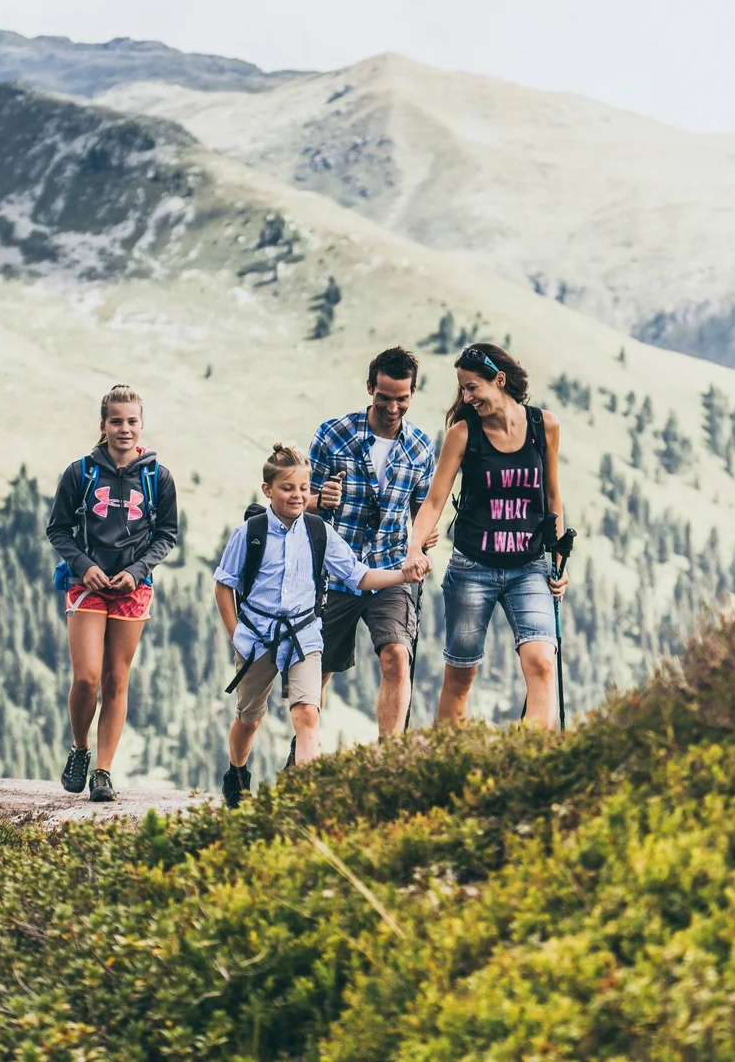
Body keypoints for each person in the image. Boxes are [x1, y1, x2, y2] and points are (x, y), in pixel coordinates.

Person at [215, 443, 429, 808]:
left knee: (307, 714)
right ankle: (237, 773)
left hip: (304, 637)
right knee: (249, 719)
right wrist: (236, 634)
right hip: (257, 639)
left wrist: (402, 576)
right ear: (268, 490)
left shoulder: (319, 532)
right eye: (287, 488)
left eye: (303, 488)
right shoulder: (249, 533)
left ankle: (303, 800)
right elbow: (224, 585)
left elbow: (358, 576)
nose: (297, 495)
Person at [404, 343, 568, 728]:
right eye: (463, 389)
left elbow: (553, 497)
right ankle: (448, 756)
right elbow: (434, 501)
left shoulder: (544, 426)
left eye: (472, 387)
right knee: (461, 675)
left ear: (500, 380)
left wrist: (559, 563)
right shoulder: (463, 434)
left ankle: (535, 757)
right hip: (472, 569)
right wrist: (414, 547)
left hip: (529, 568)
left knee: (542, 663)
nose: (466, 397)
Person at [45, 384, 179, 803]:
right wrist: (84, 566)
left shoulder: (158, 477)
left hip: (131, 589)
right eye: (116, 421)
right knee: (87, 678)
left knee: (116, 679)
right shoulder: (80, 473)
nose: (125, 429)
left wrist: (137, 572)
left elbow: (167, 534)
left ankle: (102, 771)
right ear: (103, 425)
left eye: (132, 421)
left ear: (142, 424)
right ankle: (79, 749)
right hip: (86, 585)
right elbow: (58, 529)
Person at [310, 346, 439, 737]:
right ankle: (305, 755)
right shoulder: (333, 435)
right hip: (334, 573)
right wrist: (320, 500)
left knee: (397, 656)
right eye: (384, 397)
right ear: (369, 387)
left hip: (390, 571)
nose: (393, 407)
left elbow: (424, 512)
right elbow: (295, 504)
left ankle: (389, 757)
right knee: (317, 669)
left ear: (413, 393)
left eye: (402, 398)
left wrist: (425, 536)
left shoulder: (420, 448)